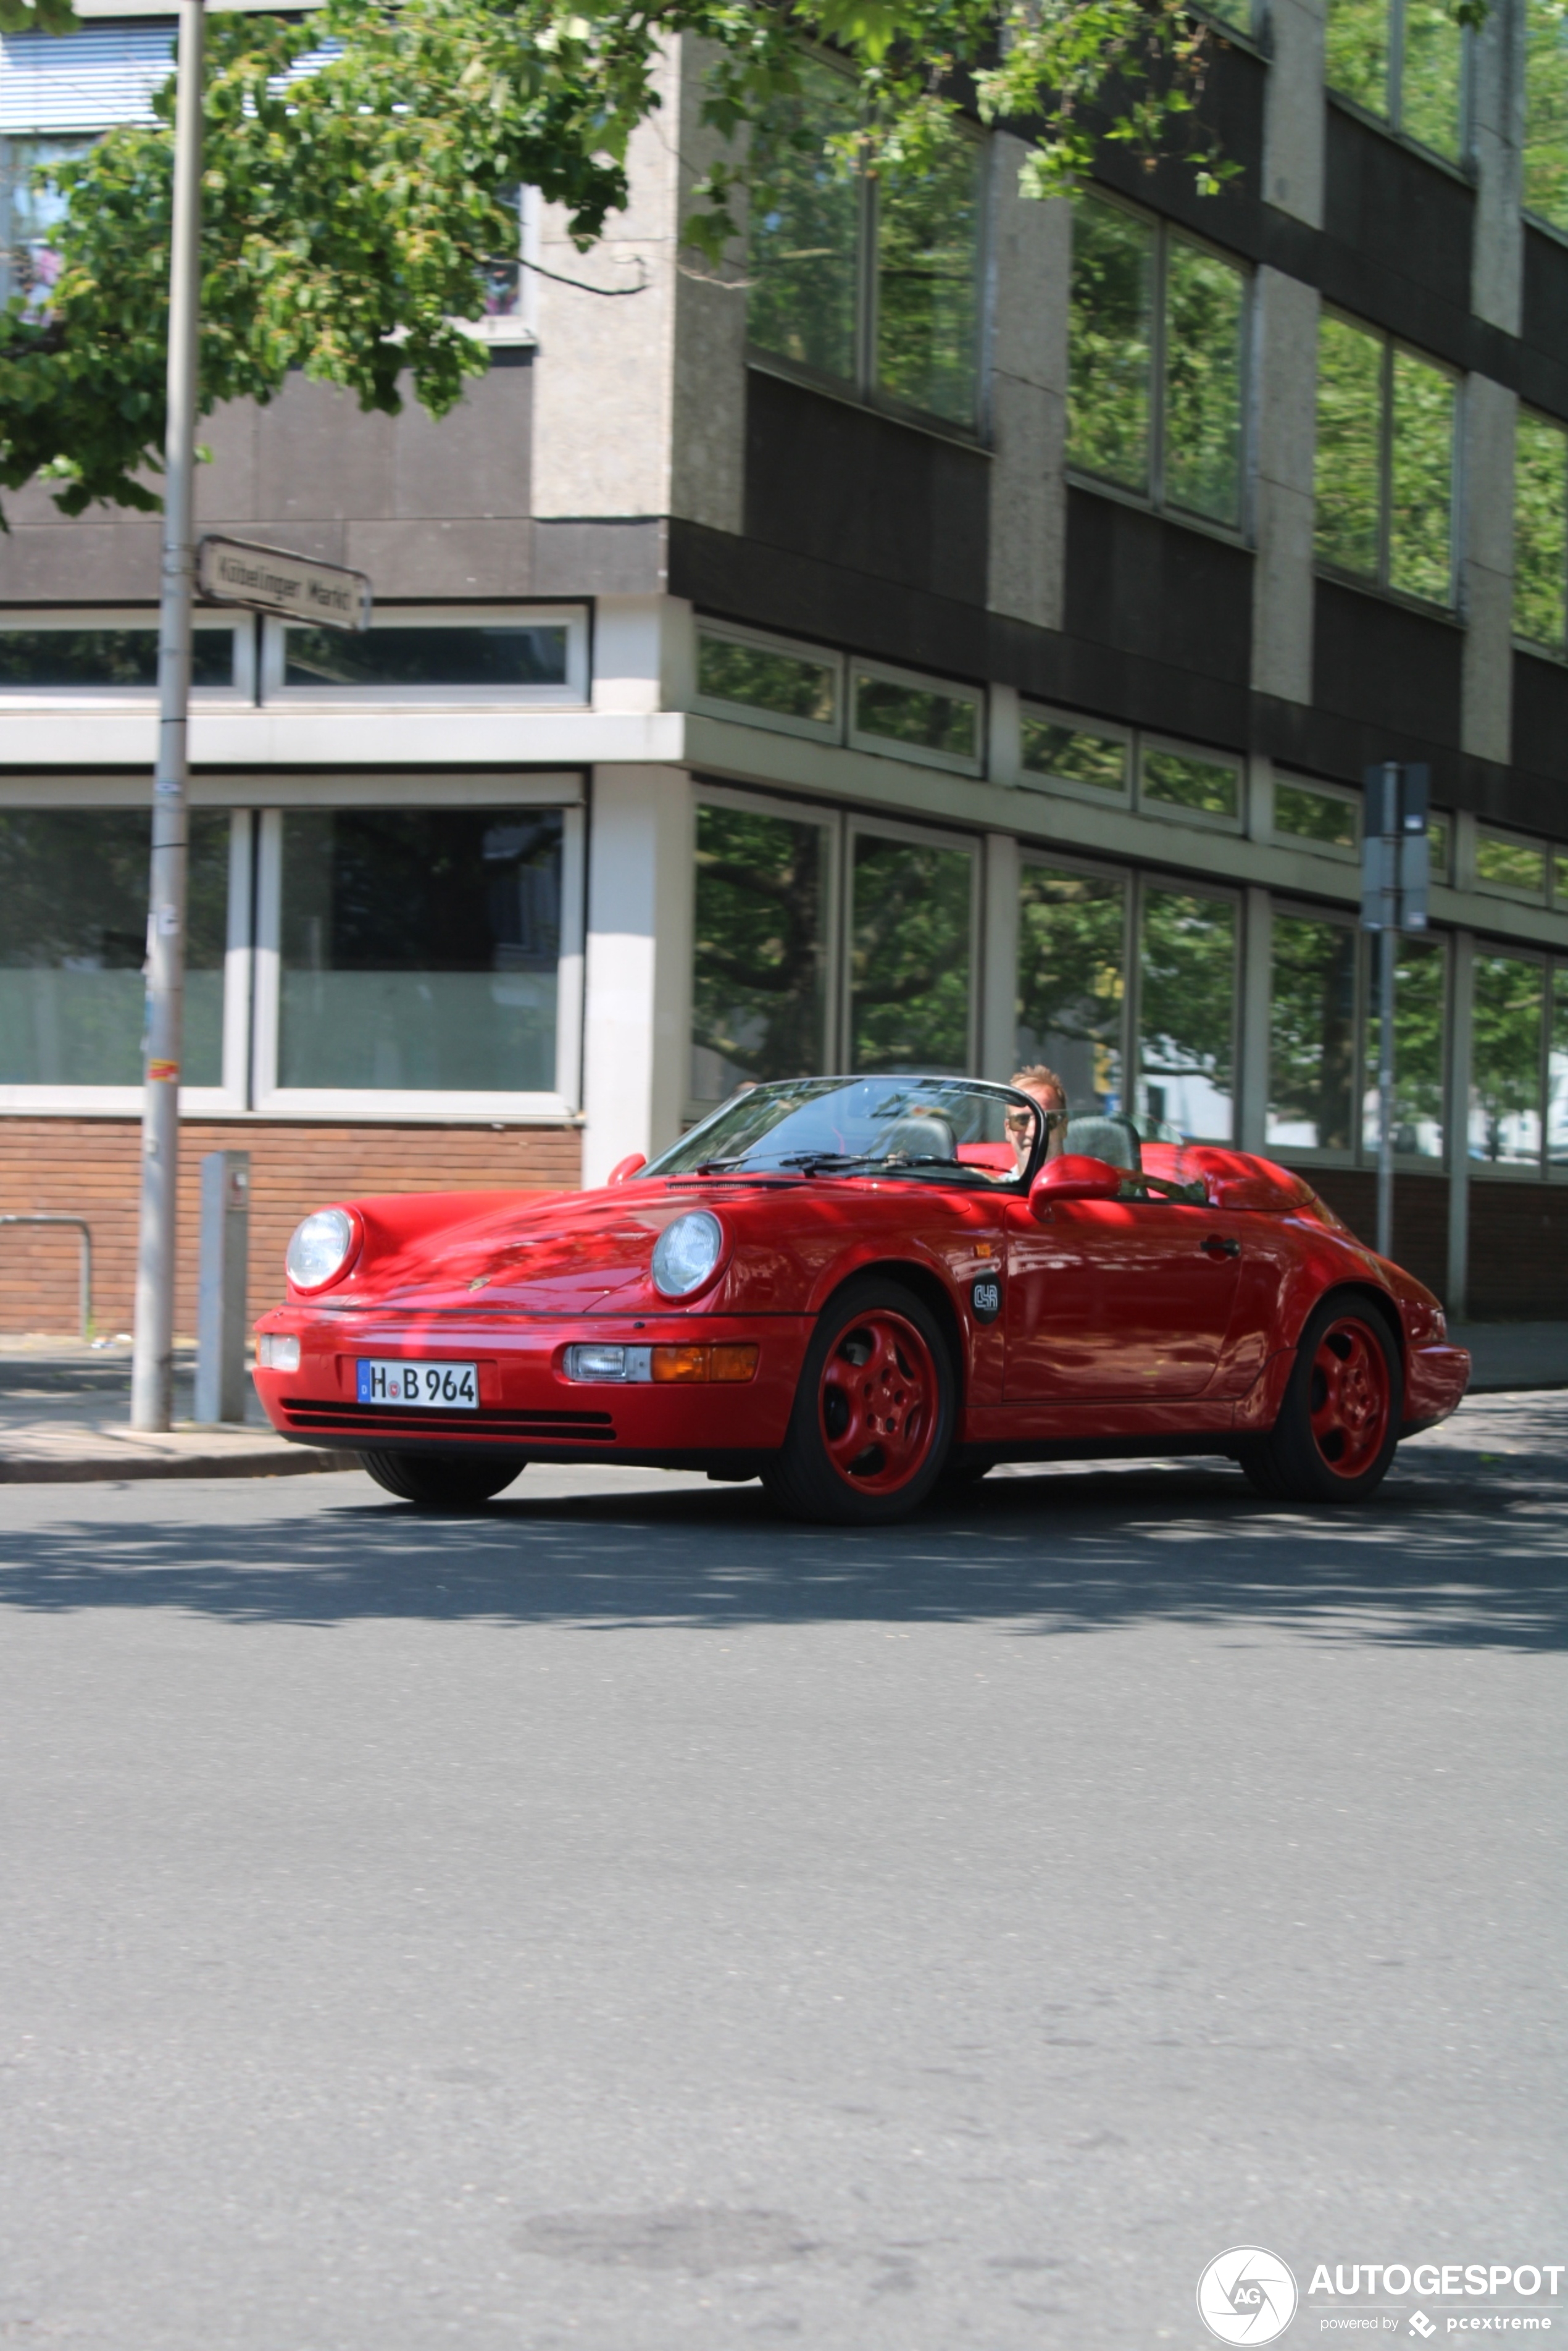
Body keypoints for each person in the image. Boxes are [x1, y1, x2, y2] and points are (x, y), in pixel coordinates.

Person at [1006, 1063, 1069, 1173]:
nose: (1033, 1132)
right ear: (1008, 1130)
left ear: (1063, 1127)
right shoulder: (993, 1189)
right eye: (1021, 1120)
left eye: (1046, 1119)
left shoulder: (1092, 1185)